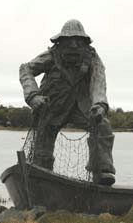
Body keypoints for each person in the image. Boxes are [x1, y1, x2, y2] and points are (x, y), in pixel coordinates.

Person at [19, 19, 115, 185]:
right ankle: (41, 177)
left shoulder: (93, 59)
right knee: (43, 140)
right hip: (52, 107)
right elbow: (26, 68)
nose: (73, 46)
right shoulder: (50, 56)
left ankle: (102, 171)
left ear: (84, 44)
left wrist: (99, 105)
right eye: (68, 42)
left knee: (102, 126)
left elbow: (99, 82)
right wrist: (33, 96)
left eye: (78, 42)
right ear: (60, 43)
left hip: (82, 107)